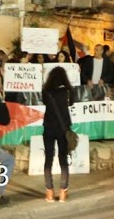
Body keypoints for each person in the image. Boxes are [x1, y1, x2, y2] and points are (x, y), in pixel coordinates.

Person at [41, 65, 74, 203]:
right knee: (63, 160)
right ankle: (62, 193)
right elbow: (71, 103)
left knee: (48, 159)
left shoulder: (46, 91)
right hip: (63, 128)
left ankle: (49, 193)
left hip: (49, 127)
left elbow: (44, 102)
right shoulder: (68, 91)